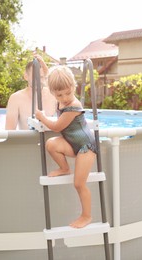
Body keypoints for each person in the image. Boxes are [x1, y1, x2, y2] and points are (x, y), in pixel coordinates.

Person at [35, 66, 97, 229]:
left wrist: (41, 117)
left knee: (79, 183)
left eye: (68, 93)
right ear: (53, 92)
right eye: (59, 95)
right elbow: (53, 77)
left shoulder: (73, 106)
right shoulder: (61, 97)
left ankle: (86, 215)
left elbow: (56, 127)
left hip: (85, 147)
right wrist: (42, 64)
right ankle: (64, 168)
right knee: (51, 144)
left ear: (73, 87)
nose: (64, 97)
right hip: (72, 143)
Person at [5, 54, 56, 130]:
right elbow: (9, 132)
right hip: (28, 142)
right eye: (35, 76)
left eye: (41, 77)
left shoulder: (53, 95)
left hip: (51, 141)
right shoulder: (16, 98)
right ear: (26, 76)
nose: (38, 80)